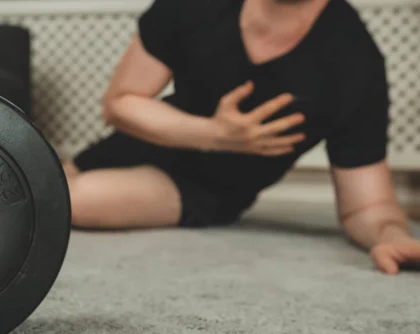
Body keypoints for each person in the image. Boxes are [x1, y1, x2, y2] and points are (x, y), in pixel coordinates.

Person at [63, 0, 420, 275]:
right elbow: (120, 104)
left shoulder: (355, 61)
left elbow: (367, 206)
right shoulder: (195, 7)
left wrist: (391, 236)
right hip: (147, 137)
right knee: (41, 180)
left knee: (71, 200)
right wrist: (215, 134)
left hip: (207, 188)